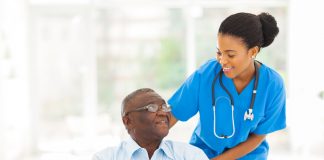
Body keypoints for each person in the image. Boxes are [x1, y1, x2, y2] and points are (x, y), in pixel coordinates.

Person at [168, 12, 286, 160]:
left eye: (230, 55)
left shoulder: (273, 85)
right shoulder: (205, 75)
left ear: (253, 51)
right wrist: (144, 146)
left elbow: (259, 136)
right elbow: (173, 114)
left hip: (248, 156)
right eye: (219, 52)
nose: (222, 61)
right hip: (203, 153)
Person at [93, 88, 209, 160]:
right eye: (152, 108)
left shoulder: (191, 155)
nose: (163, 112)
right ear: (127, 121)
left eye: (164, 107)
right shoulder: (105, 157)